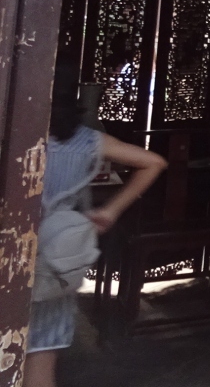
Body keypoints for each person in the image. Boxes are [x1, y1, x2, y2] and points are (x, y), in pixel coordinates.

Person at [25, 55, 167, 387]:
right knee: (40, 361)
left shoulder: (14, 132)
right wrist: (111, 210)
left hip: (11, 255)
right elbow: (154, 162)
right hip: (54, 262)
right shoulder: (86, 139)